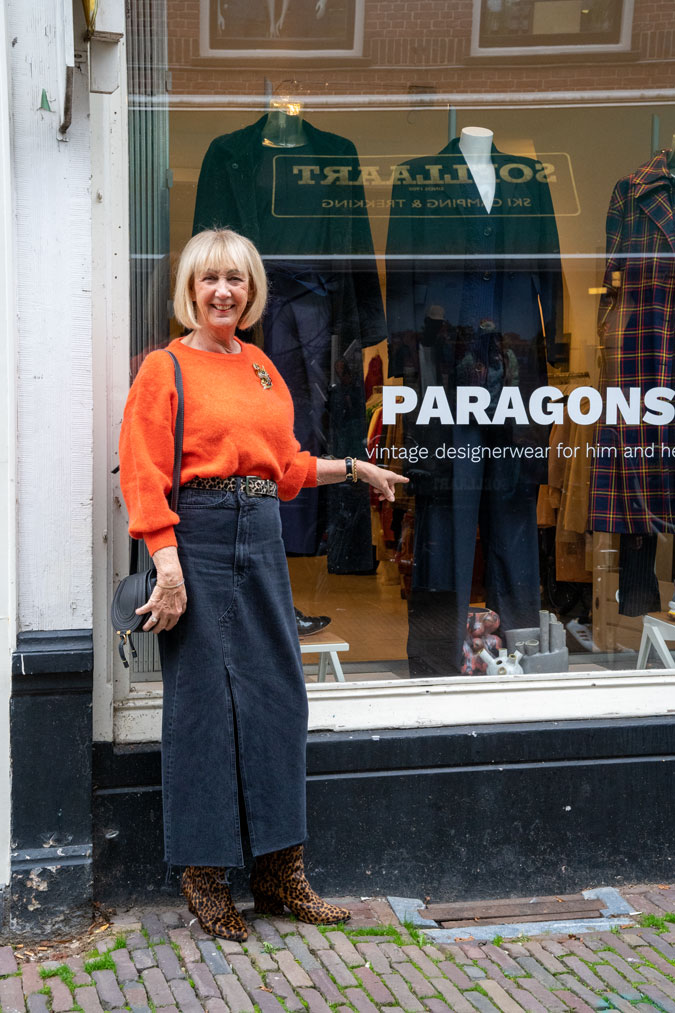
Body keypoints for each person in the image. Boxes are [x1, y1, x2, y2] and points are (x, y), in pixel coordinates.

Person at [119, 228, 407, 941]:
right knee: (204, 707)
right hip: (201, 536)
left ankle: (280, 871)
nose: (223, 292)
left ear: (252, 293)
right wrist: (169, 563)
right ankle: (204, 875)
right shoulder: (164, 368)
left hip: (262, 532)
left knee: (278, 694)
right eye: (210, 279)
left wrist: (352, 468)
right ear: (188, 288)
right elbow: (142, 471)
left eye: (237, 281)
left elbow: (283, 467)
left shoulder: (259, 367)